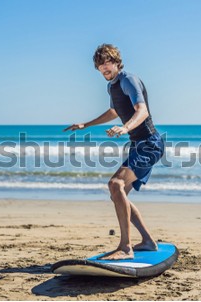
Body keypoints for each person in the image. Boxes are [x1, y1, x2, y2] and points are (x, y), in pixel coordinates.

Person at [64, 44, 164, 260]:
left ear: (117, 62)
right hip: (139, 144)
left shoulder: (128, 79)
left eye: (107, 62)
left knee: (115, 184)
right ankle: (147, 241)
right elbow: (113, 111)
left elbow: (142, 110)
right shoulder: (112, 87)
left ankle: (125, 247)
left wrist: (125, 127)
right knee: (118, 194)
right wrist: (86, 124)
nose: (103, 67)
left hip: (150, 143)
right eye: (99, 64)